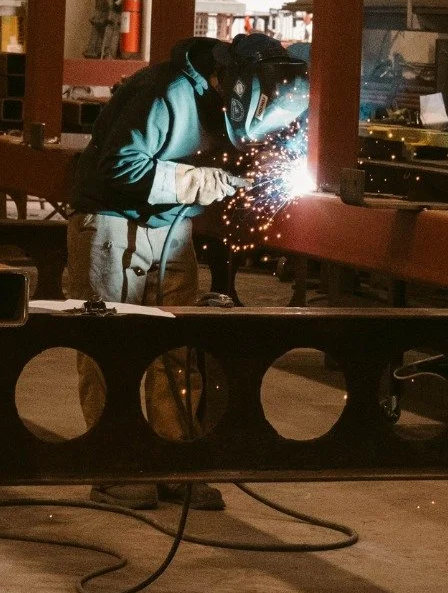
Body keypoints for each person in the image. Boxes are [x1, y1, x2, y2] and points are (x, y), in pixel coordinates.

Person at [69, 33, 309, 511]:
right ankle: (112, 467)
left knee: (178, 347)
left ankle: (175, 462)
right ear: (236, 85)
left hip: (172, 226)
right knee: (110, 348)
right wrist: (196, 180)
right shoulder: (165, 92)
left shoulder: (229, 102)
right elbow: (118, 165)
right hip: (111, 224)